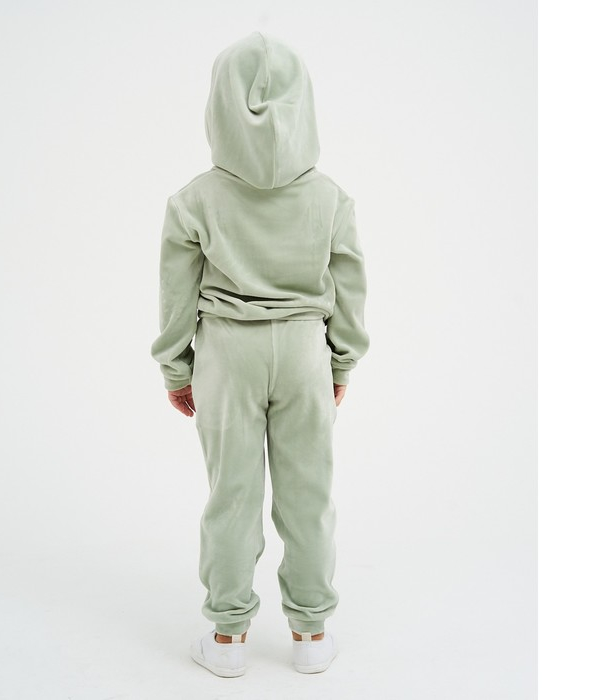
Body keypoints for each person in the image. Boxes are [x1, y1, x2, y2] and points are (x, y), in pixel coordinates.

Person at [150, 30, 370, 677]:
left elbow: (176, 295)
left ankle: (227, 640)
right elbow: (350, 288)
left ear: (217, 106)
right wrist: (340, 362)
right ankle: (311, 634)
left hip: (227, 355)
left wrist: (176, 367)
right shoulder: (330, 199)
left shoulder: (194, 200)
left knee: (232, 497)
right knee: (308, 495)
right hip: (304, 353)